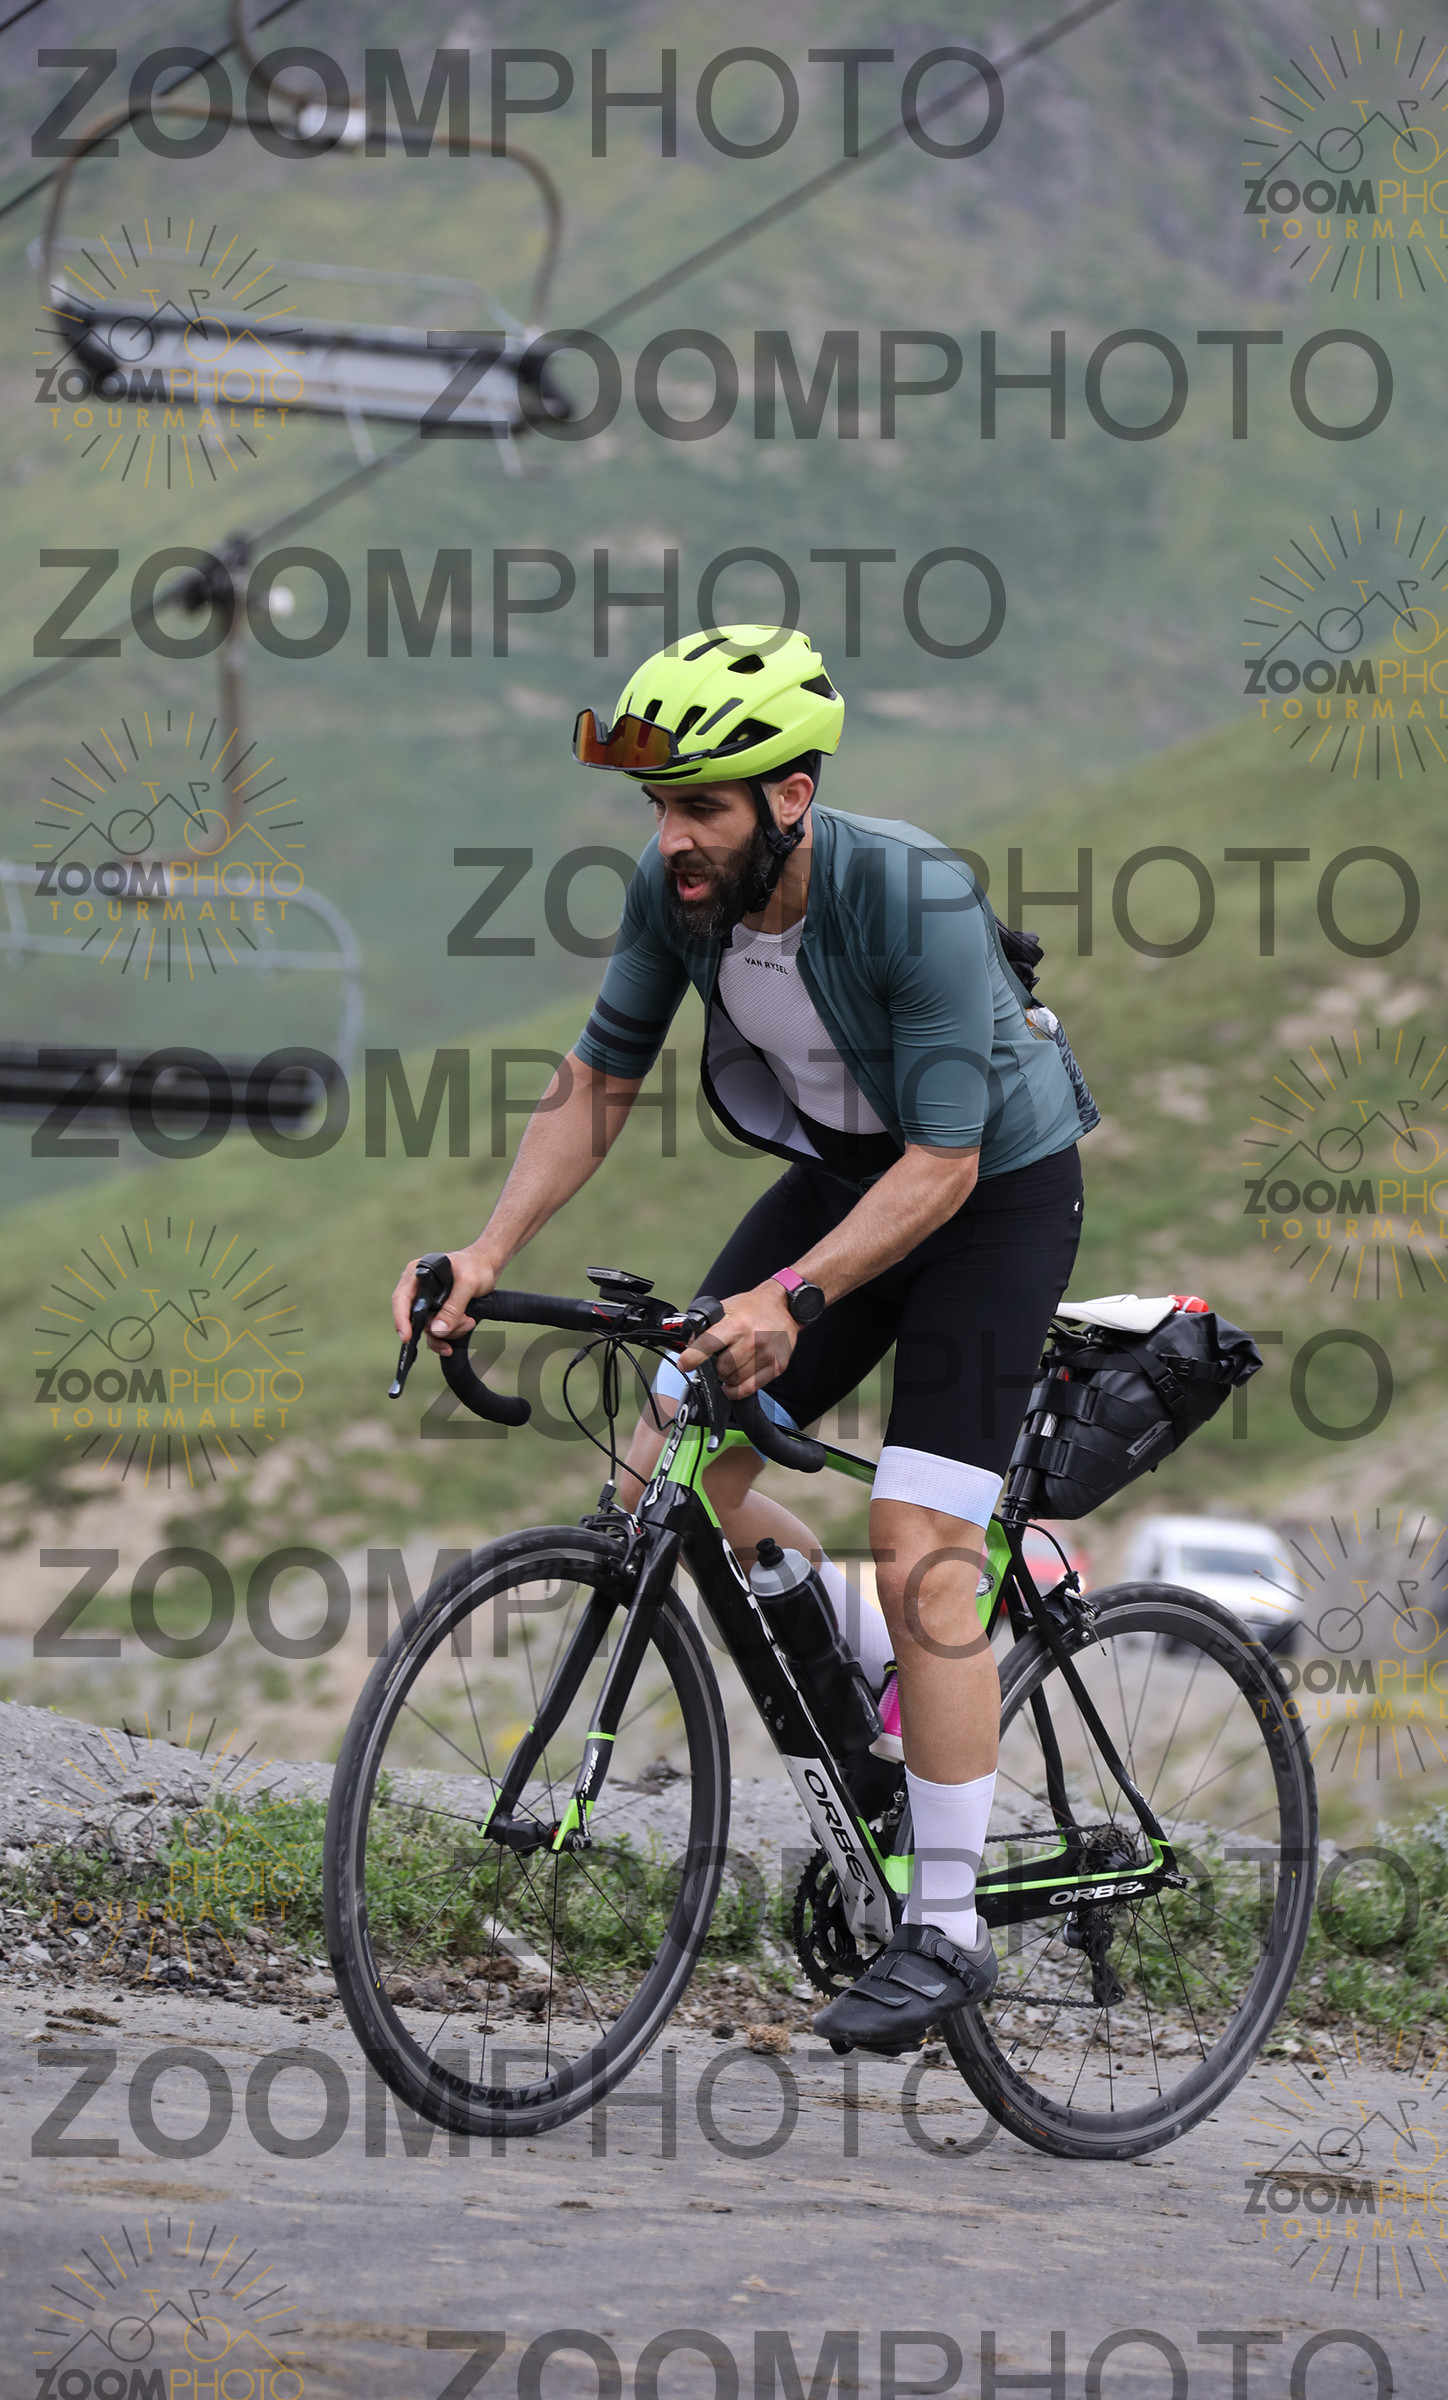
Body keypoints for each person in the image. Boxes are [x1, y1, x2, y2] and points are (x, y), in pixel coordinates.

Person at [392, 624, 1096, 2049]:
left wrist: (789, 1300)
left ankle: (947, 1926)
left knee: (921, 1537)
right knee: (667, 1449)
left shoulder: (909, 894)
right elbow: (600, 1079)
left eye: (701, 806)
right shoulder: (684, 891)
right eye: (659, 806)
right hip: (844, 1181)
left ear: (792, 795)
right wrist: (485, 1253)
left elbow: (945, 1167)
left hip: (989, 1199)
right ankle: (866, 1651)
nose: (672, 838)